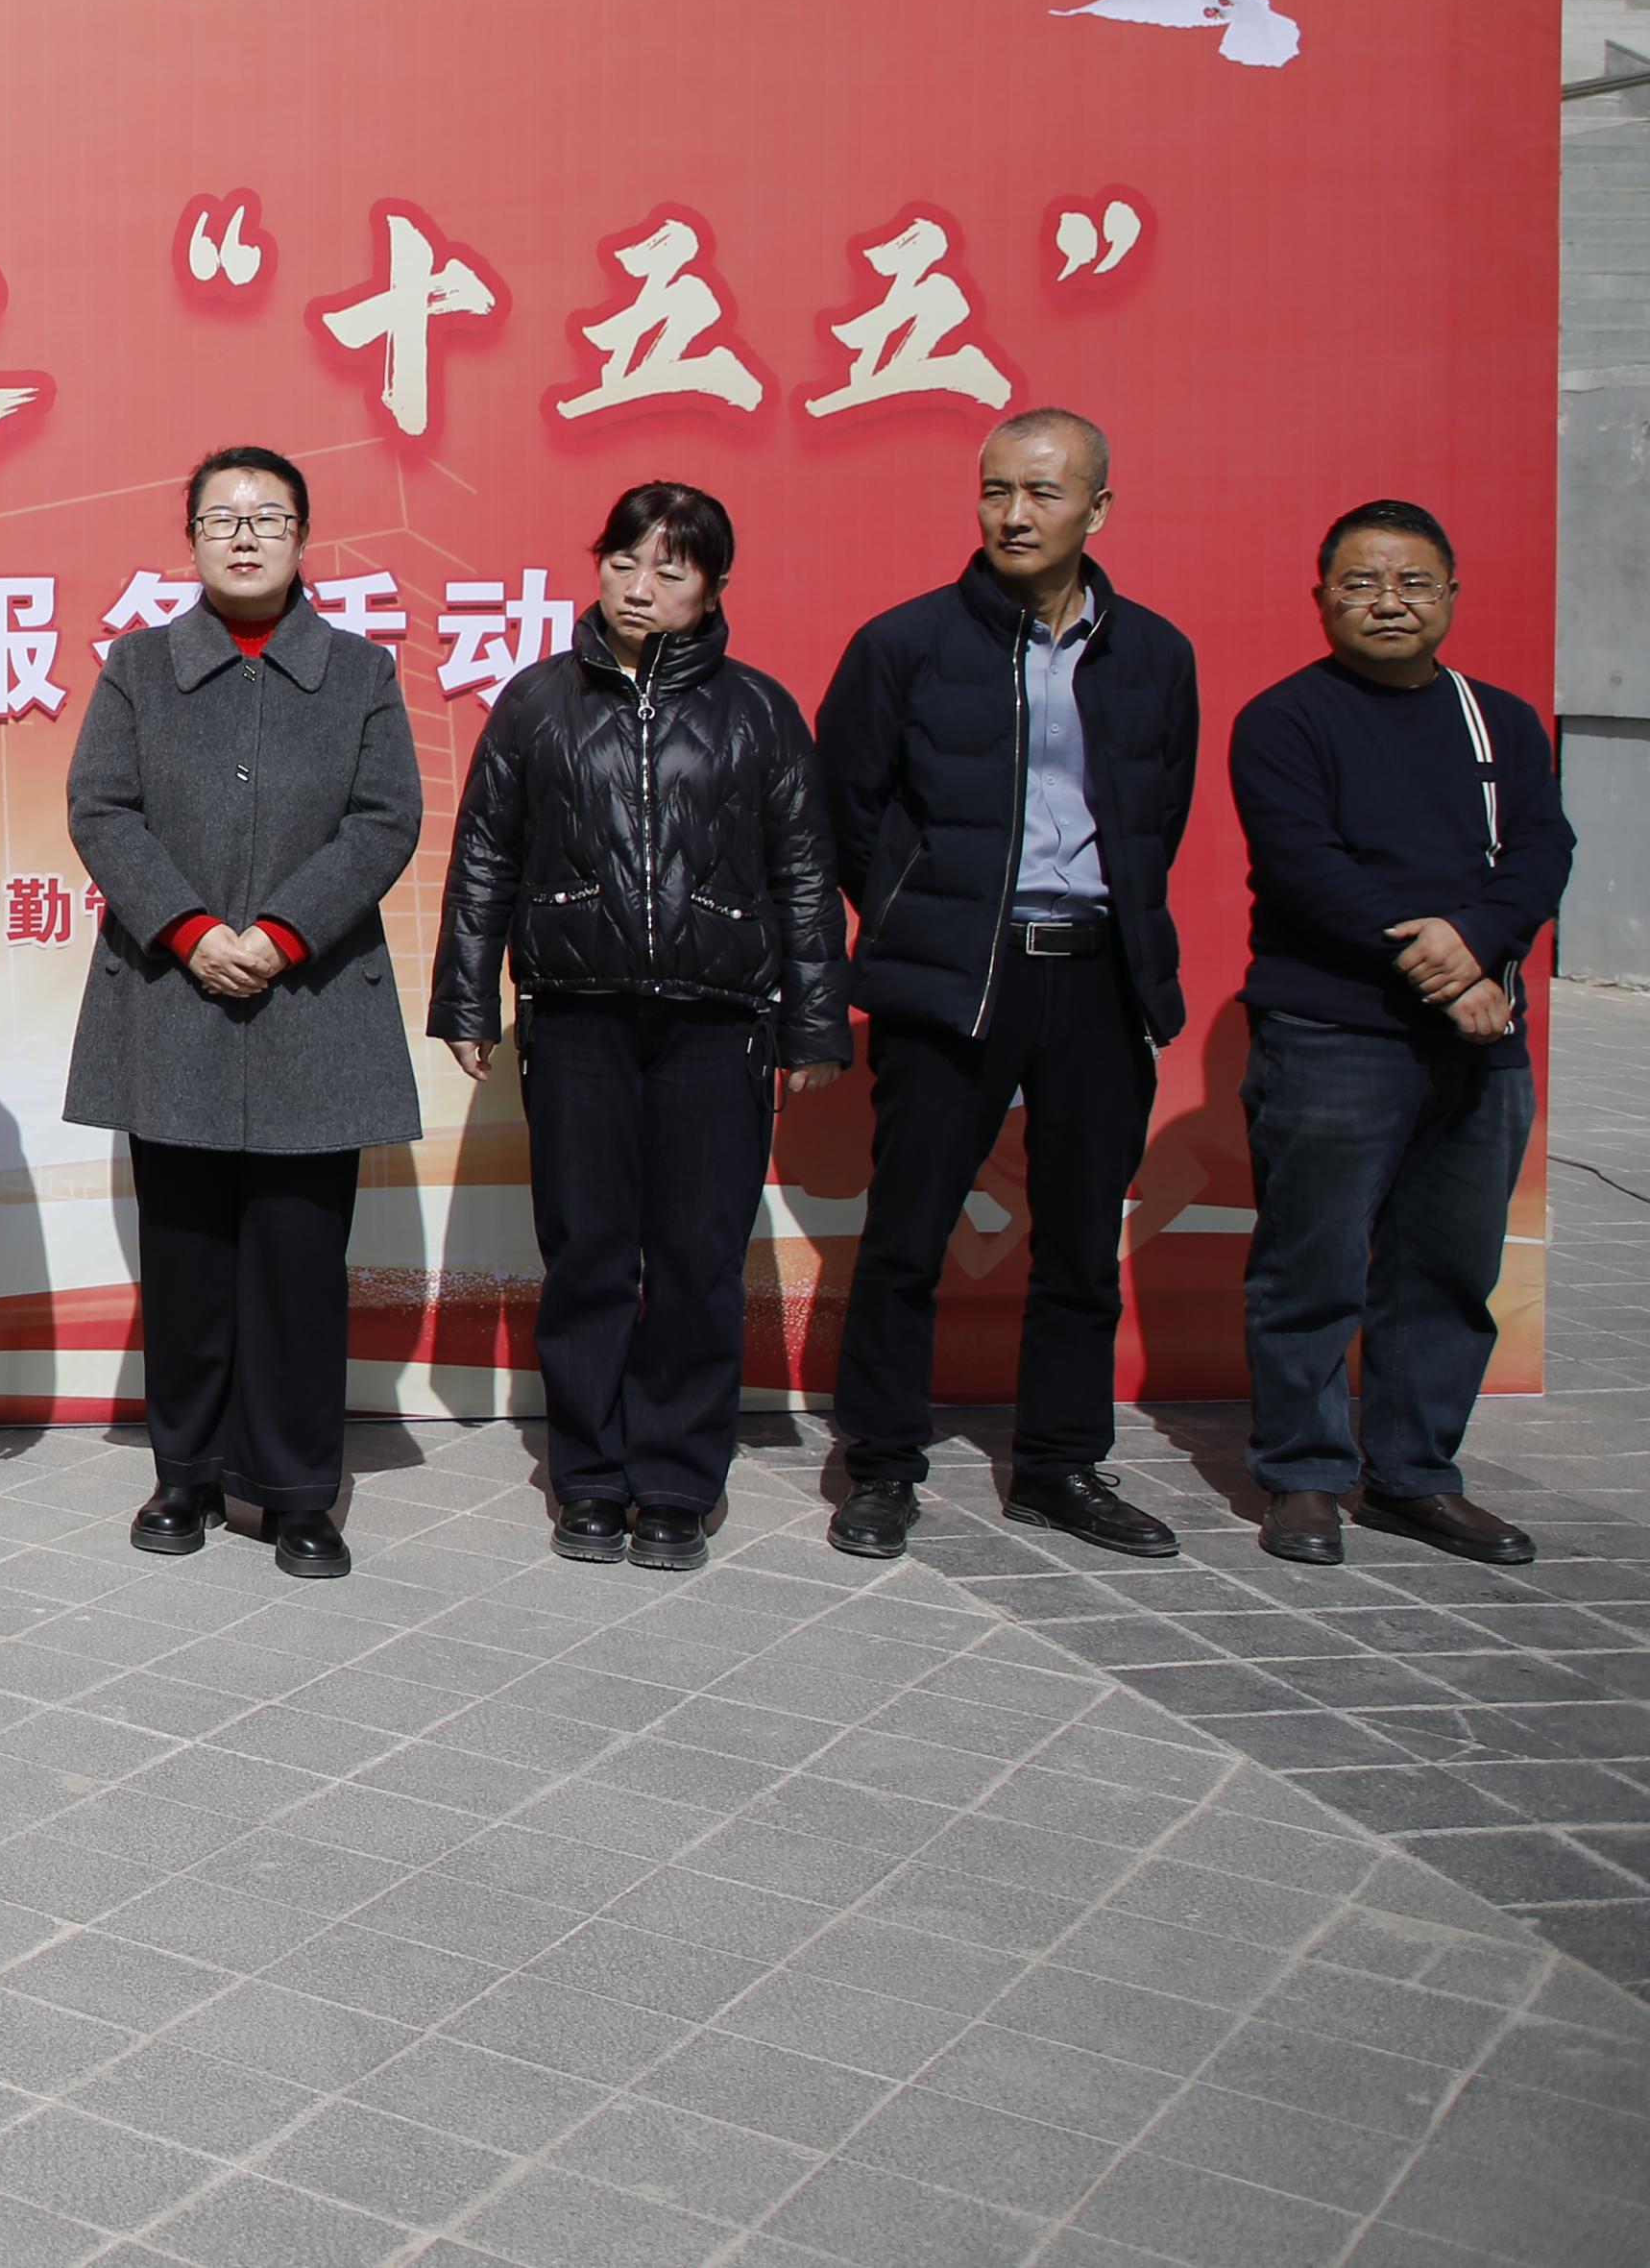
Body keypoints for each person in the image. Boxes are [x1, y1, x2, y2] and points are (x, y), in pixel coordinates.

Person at [427, 482, 847, 1574]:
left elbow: (804, 873)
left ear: (712, 586)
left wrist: (812, 1022)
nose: (639, 586)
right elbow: (484, 856)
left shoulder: (758, 711)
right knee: (588, 1253)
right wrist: (466, 999)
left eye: (670, 568)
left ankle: (674, 1480)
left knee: (699, 1258)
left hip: (717, 1026)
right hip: (577, 1019)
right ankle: (588, 1474)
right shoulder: (536, 702)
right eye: (622, 560)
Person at [817, 407, 1201, 1564]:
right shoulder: (904, 643)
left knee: (1079, 1242)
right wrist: (918, 919)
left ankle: (1058, 1464)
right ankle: (881, 1463)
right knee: (905, 1238)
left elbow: (1157, 812)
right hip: (949, 981)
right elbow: (849, 810)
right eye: (994, 490)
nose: (1013, 514)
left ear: (1097, 507)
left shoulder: (1153, 652)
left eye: (1041, 491)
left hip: (1094, 976)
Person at [62, 447, 423, 1583]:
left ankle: (298, 1491)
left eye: (267, 516)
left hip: (311, 1004)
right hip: (172, 998)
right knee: (184, 1261)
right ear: (191, 541)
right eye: (220, 516)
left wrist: (278, 932)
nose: (244, 534)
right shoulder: (138, 666)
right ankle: (185, 1472)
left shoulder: (358, 671)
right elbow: (100, 806)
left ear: (302, 537)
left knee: (296, 1265)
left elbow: (383, 818)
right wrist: (184, 927)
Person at [1229, 500, 1572, 1570]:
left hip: (1478, 1038)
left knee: (1447, 1268)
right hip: (1333, 1035)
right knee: (1312, 1263)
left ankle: (1414, 1476)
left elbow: (1540, 851)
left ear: (1450, 595)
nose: (1389, 601)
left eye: (1413, 582)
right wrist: (1446, 970)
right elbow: (1310, 870)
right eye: (1362, 582)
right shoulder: (1284, 719)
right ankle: (1302, 1474)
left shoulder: (1499, 720)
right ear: (1322, 596)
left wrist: (1473, 949)